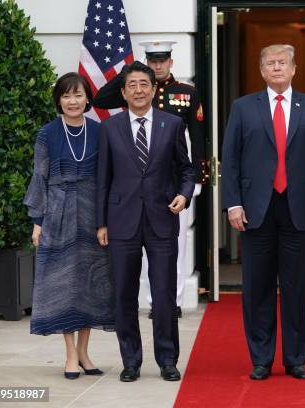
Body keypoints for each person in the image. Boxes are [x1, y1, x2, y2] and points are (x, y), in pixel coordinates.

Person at [222, 44, 305, 381]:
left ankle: (295, 358)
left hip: (299, 209)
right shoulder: (243, 108)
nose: (276, 68)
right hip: (256, 209)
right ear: (261, 70)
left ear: (294, 69)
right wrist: (234, 203)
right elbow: (231, 159)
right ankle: (261, 358)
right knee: (257, 286)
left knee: (296, 286)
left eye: (282, 63)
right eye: (269, 63)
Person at [96, 61, 195, 382]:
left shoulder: (172, 124)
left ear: (154, 89)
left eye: (144, 84)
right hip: (120, 221)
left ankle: (167, 359)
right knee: (124, 294)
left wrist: (185, 194)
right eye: (132, 85)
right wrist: (101, 223)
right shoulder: (109, 128)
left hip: (162, 219)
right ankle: (131, 361)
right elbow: (103, 180)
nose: (138, 90)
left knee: (164, 294)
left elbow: (187, 169)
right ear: (123, 92)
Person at [93, 40, 205, 320]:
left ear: (170, 62)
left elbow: (197, 137)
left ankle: (171, 300)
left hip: (170, 187)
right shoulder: (135, 88)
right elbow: (100, 100)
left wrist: (196, 181)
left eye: (162, 61)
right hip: (131, 194)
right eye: (152, 61)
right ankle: (152, 300)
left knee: (172, 251)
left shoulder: (186, 93)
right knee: (134, 259)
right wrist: (130, 72)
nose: (157, 66)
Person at [23, 72, 115, 379]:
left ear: (87, 98)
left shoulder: (100, 131)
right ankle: (70, 354)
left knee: (90, 283)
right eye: (66, 96)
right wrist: (38, 222)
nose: (72, 101)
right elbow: (39, 178)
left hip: (92, 216)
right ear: (58, 100)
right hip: (58, 214)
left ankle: (85, 353)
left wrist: (107, 219)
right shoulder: (47, 133)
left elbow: (108, 178)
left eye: (77, 95)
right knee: (64, 285)